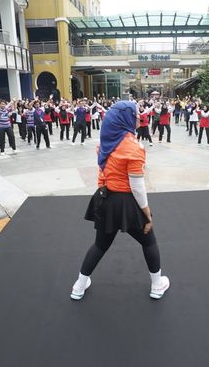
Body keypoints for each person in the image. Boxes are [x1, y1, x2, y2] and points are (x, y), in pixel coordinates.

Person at [71, 101, 169, 301]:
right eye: (134, 115)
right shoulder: (133, 147)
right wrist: (147, 213)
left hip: (105, 199)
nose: (137, 118)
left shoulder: (105, 142)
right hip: (127, 202)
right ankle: (157, 285)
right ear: (126, 118)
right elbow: (137, 187)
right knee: (149, 241)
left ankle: (79, 286)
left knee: (100, 245)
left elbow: (102, 174)